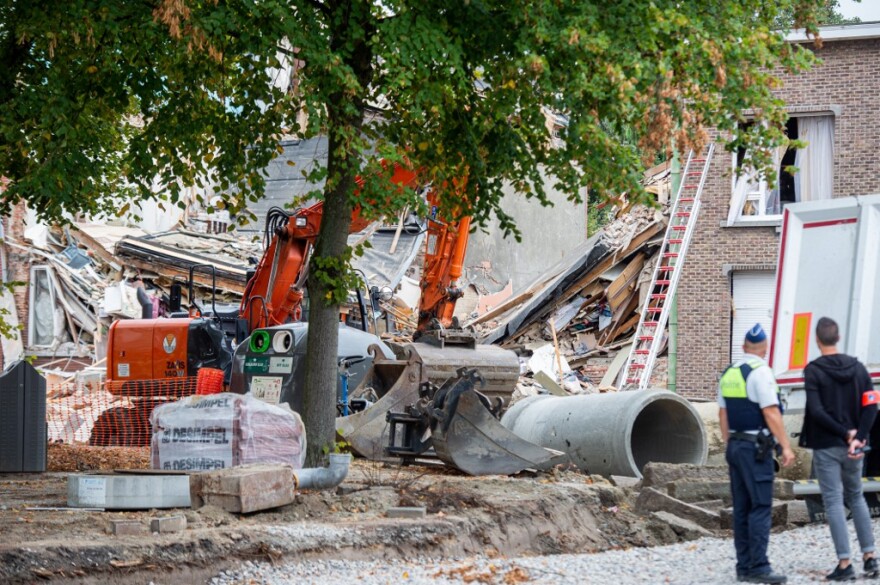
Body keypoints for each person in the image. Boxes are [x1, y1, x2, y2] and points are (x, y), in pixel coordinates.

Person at [800, 316, 878, 581]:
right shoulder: (859, 369)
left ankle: (845, 564)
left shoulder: (813, 371)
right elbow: (871, 406)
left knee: (833, 501)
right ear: (838, 338)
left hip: (827, 445)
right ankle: (870, 558)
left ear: (817, 340)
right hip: (854, 447)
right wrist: (859, 437)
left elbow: (817, 411)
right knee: (856, 497)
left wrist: (845, 433)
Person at [719, 323, 795, 584]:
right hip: (755, 448)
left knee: (741, 507)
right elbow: (771, 412)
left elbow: (723, 414)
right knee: (761, 506)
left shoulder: (729, 372)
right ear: (764, 349)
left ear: (743, 347)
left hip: (735, 446)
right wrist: (785, 445)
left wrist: (731, 444)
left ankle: (743, 566)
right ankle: (759, 567)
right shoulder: (761, 372)